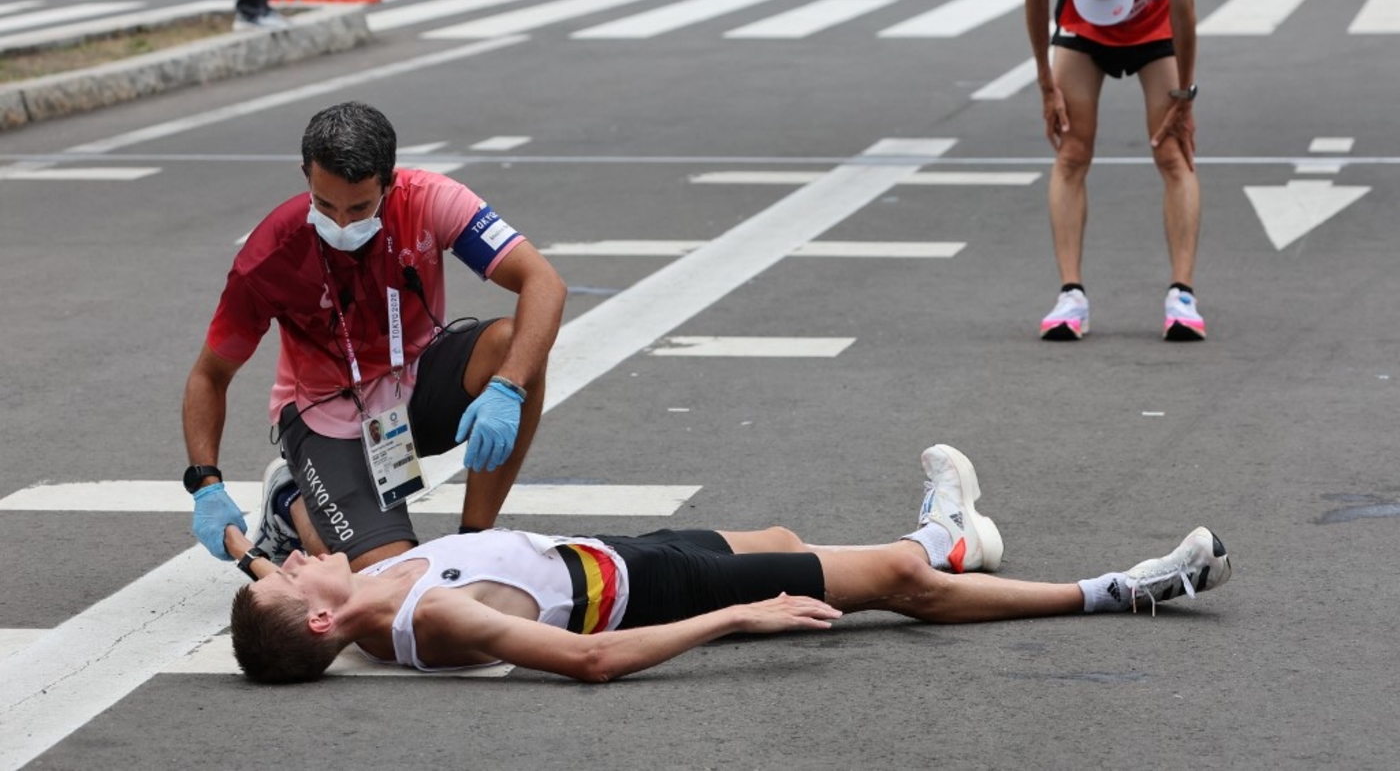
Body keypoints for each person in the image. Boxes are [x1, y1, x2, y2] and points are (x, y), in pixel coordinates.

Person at [226, 444, 1231, 684]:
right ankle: (1123, 586)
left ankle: (951, 534)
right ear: (319, 621)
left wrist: (252, 535)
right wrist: (730, 621)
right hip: (651, 591)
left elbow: (303, 559)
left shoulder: (362, 588)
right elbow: (584, 663)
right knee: (892, 585)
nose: (284, 566)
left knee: (789, 537)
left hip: (616, 555)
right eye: (283, 579)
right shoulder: (421, 620)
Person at [182, 101, 569, 578]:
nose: (342, 224)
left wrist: (508, 387)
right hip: (326, 416)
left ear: (390, 181)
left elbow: (544, 283)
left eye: (360, 207)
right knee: (385, 581)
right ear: (307, 175)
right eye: (326, 206)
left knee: (515, 344)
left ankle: (475, 542)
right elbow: (209, 375)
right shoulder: (268, 256)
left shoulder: (431, 198)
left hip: (417, 386)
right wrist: (206, 485)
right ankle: (292, 503)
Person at [1025, 0, 1205, 342]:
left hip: (1154, 30)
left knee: (1172, 153)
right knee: (1071, 152)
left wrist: (1184, 97)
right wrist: (1046, 82)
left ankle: (1182, 297)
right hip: (1083, 31)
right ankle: (1071, 297)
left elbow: (1185, 15)